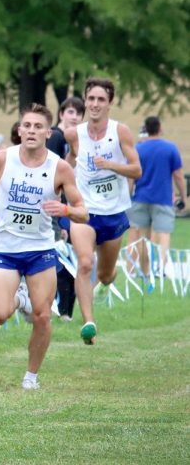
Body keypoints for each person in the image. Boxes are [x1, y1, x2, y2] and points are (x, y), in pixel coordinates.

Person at [0, 104, 88, 389]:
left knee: (43, 315)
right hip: (5, 248)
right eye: (27, 126)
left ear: (48, 133)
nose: (32, 131)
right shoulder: (3, 159)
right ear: (19, 130)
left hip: (40, 250)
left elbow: (83, 212)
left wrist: (64, 210)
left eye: (38, 127)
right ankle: (20, 299)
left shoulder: (59, 167)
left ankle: (31, 376)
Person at [65, 78, 141, 345]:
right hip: (84, 210)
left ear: (110, 103)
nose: (95, 104)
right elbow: (70, 162)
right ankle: (88, 323)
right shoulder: (74, 134)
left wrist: (110, 165)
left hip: (114, 210)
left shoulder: (121, 132)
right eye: (91, 99)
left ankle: (107, 281)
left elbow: (136, 169)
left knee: (106, 273)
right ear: (85, 101)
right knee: (85, 263)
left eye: (101, 99)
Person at [127, 116, 186, 276]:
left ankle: (144, 271)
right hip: (163, 198)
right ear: (160, 128)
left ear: (146, 129)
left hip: (140, 197)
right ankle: (162, 267)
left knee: (142, 237)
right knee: (164, 233)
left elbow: (131, 176)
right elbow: (178, 175)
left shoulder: (138, 149)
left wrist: (128, 195)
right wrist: (184, 197)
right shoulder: (170, 148)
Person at [47, 97, 84, 321]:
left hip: (73, 206)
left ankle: (66, 310)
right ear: (62, 113)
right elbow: (52, 173)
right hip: (57, 207)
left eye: (79, 113)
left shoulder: (76, 139)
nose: (75, 117)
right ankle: (59, 309)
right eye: (71, 112)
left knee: (74, 258)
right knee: (60, 259)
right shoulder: (56, 137)